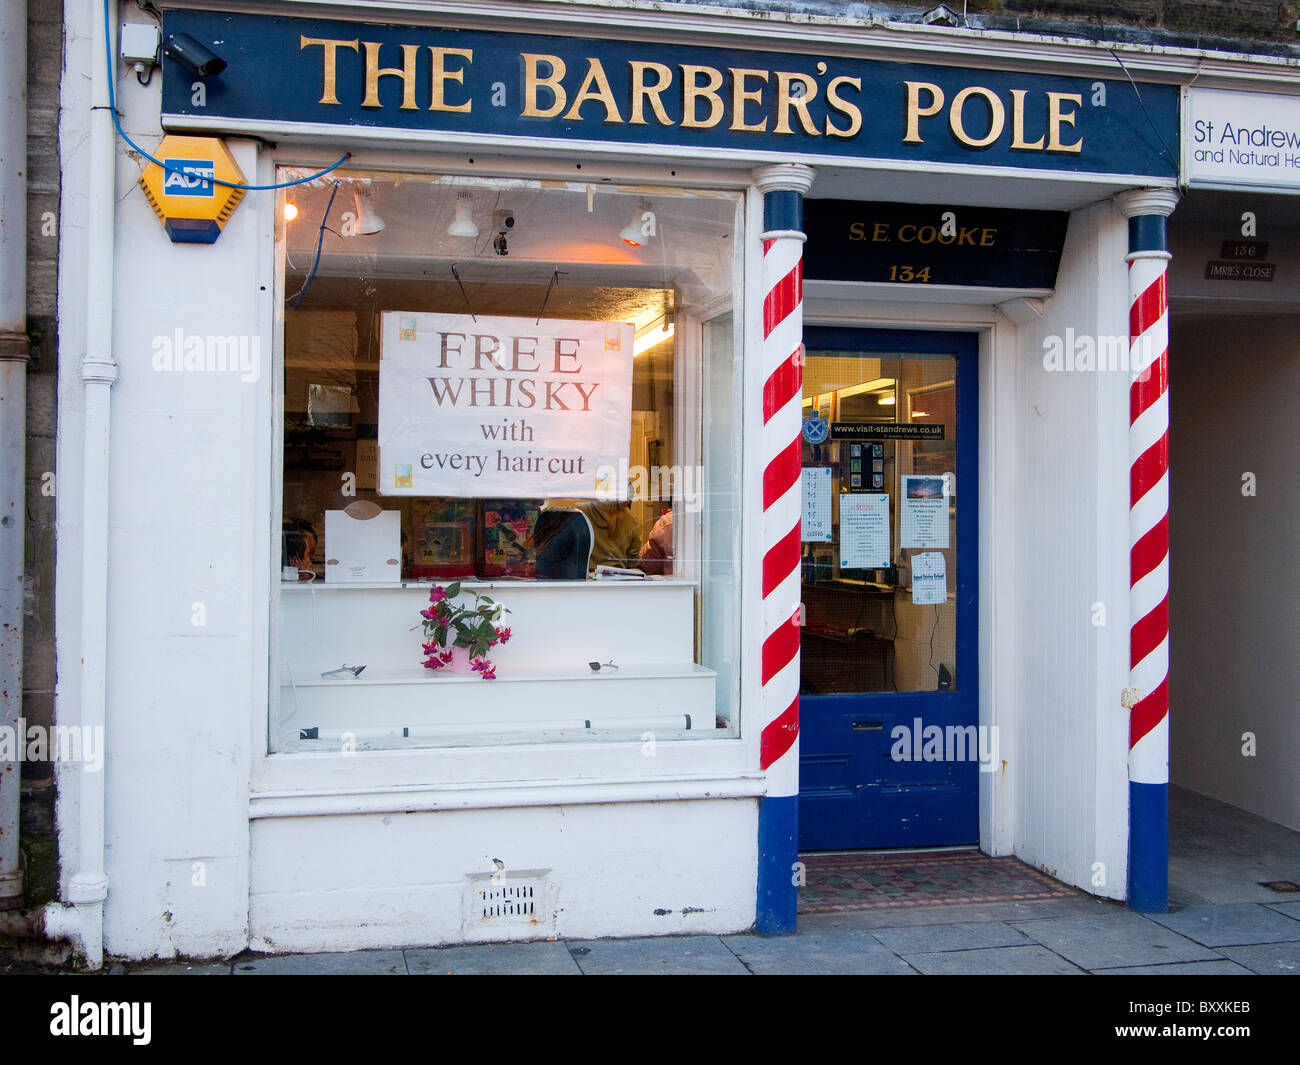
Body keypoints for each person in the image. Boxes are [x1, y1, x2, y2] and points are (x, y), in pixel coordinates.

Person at [638, 508, 673, 576]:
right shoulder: (670, 522)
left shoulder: (668, 521)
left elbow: (649, 563)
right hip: (648, 571)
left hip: (670, 580)